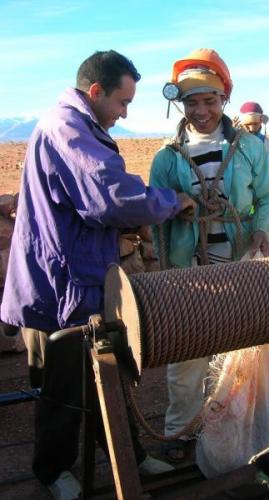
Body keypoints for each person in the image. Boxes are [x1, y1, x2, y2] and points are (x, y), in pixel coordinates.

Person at [0, 50, 196, 499]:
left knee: (109, 375)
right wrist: (170, 202)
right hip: (57, 288)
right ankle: (53, 472)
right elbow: (110, 198)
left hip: (80, 279)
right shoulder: (68, 128)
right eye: (122, 102)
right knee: (63, 388)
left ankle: (127, 454)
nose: (125, 112)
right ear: (95, 92)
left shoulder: (78, 125)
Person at [149, 48, 269, 463]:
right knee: (186, 360)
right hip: (190, 274)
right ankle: (180, 441)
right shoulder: (167, 158)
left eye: (209, 101)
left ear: (224, 99)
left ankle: (237, 435)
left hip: (238, 268)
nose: (201, 110)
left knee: (239, 356)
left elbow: (268, 196)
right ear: (179, 104)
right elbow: (157, 220)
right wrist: (168, 268)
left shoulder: (249, 149)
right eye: (191, 102)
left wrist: (262, 229)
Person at [234, 101, 269, 190]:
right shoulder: (231, 143)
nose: (251, 128)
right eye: (248, 124)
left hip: (264, 201)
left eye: (255, 124)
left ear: (262, 121)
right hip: (239, 202)